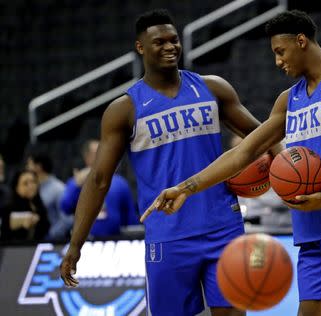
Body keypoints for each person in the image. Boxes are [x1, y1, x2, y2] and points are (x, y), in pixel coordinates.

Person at [142, 10, 321, 316]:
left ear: (301, 41)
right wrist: (185, 188)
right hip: (312, 218)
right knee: (310, 311)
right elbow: (243, 152)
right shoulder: (288, 101)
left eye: (280, 51)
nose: (278, 61)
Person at [59, 9, 280, 316]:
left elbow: (262, 136)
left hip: (223, 227)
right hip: (168, 236)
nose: (170, 47)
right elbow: (98, 180)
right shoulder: (124, 109)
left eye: (174, 40)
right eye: (159, 42)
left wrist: (290, 165)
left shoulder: (212, 88)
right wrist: (75, 244)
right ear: (140, 48)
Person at [60, 139, 138, 238]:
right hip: (84, 242)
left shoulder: (119, 182)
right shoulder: (77, 181)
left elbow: (130, 216)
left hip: (115, 240)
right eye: (97, 152)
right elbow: (65, 208)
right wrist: (77, 186)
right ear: (87, 157)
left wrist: (135, 238)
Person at [27, 152, 72, 240]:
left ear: (38, 167)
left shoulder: (58, 189)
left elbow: (67, 220)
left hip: (53, 243)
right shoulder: (34, 188)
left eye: (29, 164)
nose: (27, 168)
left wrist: (49, 237)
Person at [0, 169, 50, 242]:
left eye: (33, 182)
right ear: (16, 188)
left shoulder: (40, 206)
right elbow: (5, 233)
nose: (31, 186)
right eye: (25, 183)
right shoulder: (8, 208)